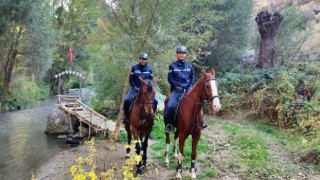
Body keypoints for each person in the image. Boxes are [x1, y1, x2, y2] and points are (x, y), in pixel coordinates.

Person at [164, 46, 195, 133]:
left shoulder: (189, 66)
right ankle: (169, 125)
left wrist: (190, 87)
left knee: (197, 104)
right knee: (169, 106)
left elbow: (192, 78)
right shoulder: (172, 66)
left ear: (185, 55)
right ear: (177, 54)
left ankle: (199, 123)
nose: (181, 55)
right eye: (179, 53)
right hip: (176, 91)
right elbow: (170, 78)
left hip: (188, 90)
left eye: (183, 53)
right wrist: (175, 85)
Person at [122, 52, 158, 123]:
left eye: (145, 59)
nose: (143, 60)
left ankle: (151, 117)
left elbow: (150, 80)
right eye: (142, 59)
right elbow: (131, 79)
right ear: (140, 59)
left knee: (155, 101)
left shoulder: (149, 68)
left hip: (145, 90)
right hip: (135, 88)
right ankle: (125, 117)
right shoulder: (134, 67)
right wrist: (134, 87)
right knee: (126, 100)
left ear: (146, 60)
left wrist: (149, 88)